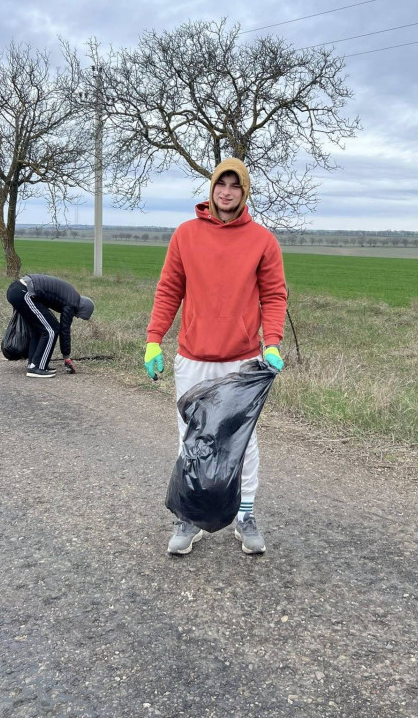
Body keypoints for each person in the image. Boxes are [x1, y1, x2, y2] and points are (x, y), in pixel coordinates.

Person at [144, 158, 287, 556]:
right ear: (211, 189)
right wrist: (154, 339)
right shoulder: (186, 235)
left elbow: (274, 295)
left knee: (243, 440)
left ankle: (245, 515)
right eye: (221, 184)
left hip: (241, 361)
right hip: (193, 357)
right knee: (191, 439)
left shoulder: (262, 241)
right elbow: (169, 289)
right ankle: (189, 517)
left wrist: (272, 343)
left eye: (235, 185)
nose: (227, 192)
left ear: (244, 192)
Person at [6, 274, 94, 378]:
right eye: (79, 315)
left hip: (17, 290)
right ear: (82, 309)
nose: (77, 317)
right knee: (51, 330)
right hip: (24, 292)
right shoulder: (72, 304)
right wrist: (66, 357)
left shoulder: (71, 296)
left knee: (39, 329)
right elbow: (64, 330)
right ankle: (37, 368)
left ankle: (33, 363)